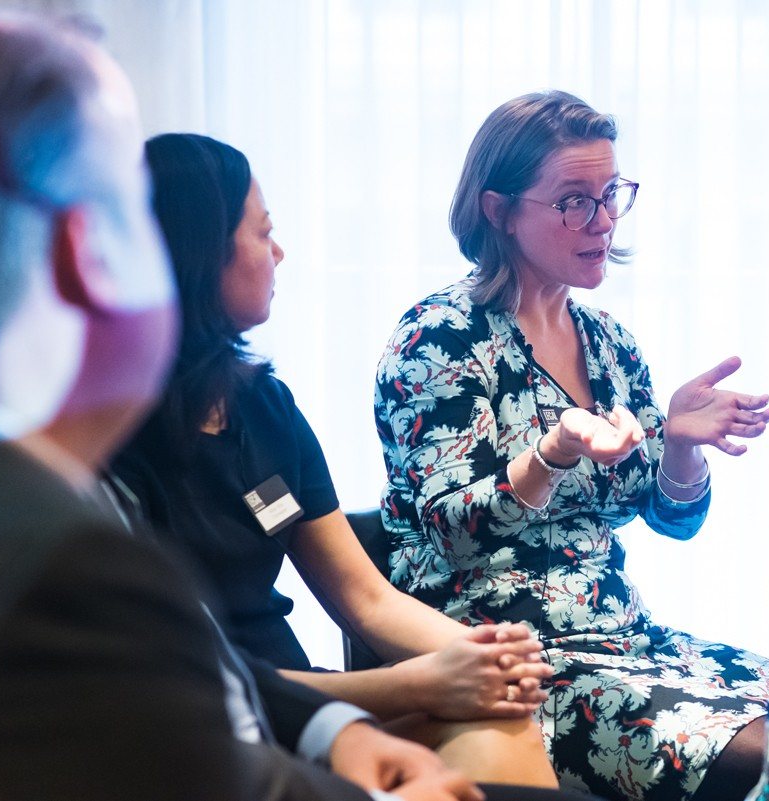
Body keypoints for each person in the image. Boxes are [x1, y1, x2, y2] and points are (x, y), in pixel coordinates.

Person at [0, 11, 482, 801]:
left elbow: (343, 606)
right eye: (130, 210)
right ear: (88, 252)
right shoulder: (70, 552)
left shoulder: (258, 405)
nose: (280, 252)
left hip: (288, 718)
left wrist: (346, 723)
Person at [374, 90, 769, 801]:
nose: (603, 221)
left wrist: (681, 447)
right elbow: (454, 532)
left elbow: (674, 519)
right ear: (498, 210)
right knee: (767, 756)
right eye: (574, 201)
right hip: (507, 653)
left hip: (623, 636)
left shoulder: (608, 343)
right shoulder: (438, 338)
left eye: (610, 196)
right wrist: (550, 455)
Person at [111, 132, 563, 788]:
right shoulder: (113, 437)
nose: (279, 253)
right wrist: (414, 682)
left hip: (305, 707)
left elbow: (366, 598)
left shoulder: (263, 406)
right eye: (263, 233)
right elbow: (191, 680)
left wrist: (482, 656)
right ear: (200, 253)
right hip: (210, 724)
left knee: (500, 719)